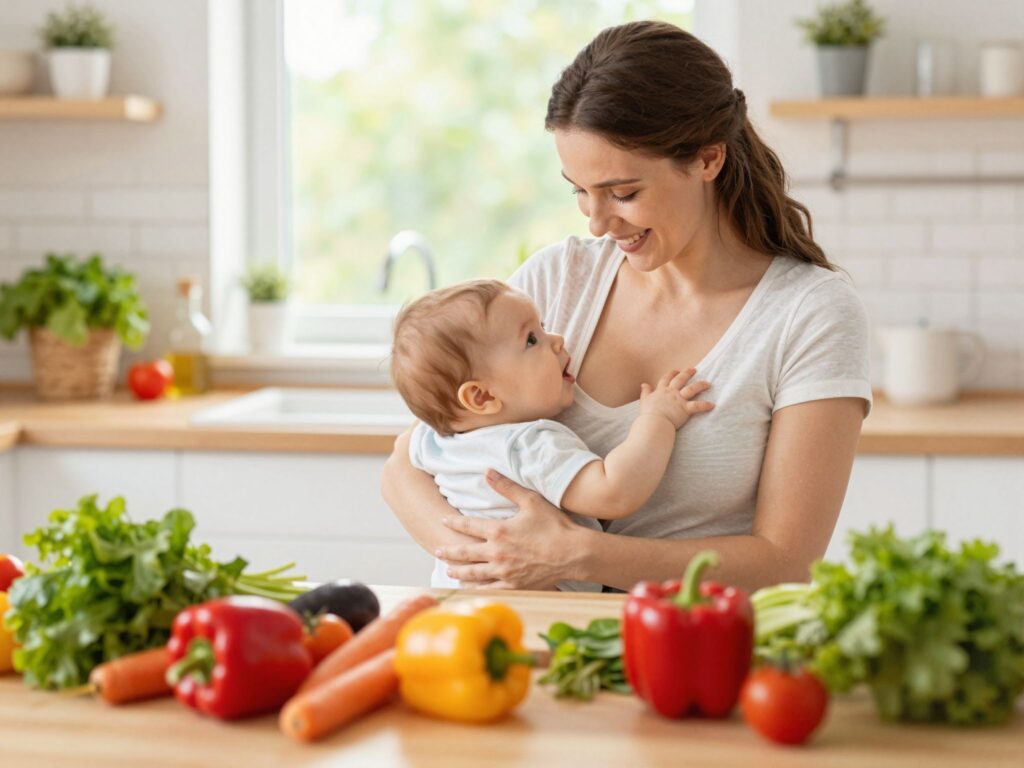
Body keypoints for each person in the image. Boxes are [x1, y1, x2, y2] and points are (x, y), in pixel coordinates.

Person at [382, 20, 871, 593]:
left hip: (696, 644)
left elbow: (785, 560)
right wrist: (495, 556)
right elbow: (407, 465)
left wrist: (578, 556)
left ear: (709, 158)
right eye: (579, 191)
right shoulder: (555, 279)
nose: (596, 222)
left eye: (623, 193)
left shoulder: (808, 313)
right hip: (527, 640)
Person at [390, 278, 714, 591]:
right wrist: (658, 418)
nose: (557, 339)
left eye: (542, 326)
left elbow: (400, 462)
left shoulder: (432, 442)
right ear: (482, 398)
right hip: (538, 607)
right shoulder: (529, 444)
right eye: (532, 339)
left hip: (456, 597)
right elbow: (615, 493)